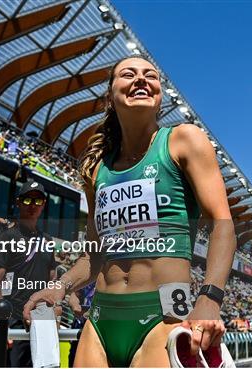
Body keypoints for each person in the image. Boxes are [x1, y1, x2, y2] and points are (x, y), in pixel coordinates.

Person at [23, 55, 236, 367]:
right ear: (110, 96)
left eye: (150, 75)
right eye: (128, 74)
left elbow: (223, 224)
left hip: (163, 313)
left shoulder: (183, 140)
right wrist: (60, 286)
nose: (141, 79)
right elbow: (93, 254)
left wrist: (209, 297)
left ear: (160, 96)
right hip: (101, 318)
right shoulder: (96, 168)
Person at [0, 180, 56, 367]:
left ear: (44, 205)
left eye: (38, 201)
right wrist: (1, 324)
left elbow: (52, 279)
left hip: (40, 320)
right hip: (13, 320)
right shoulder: (7, 237)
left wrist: (54, 312)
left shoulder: (47, 241)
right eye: (27, 200)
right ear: (18, 202)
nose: (32, 205)